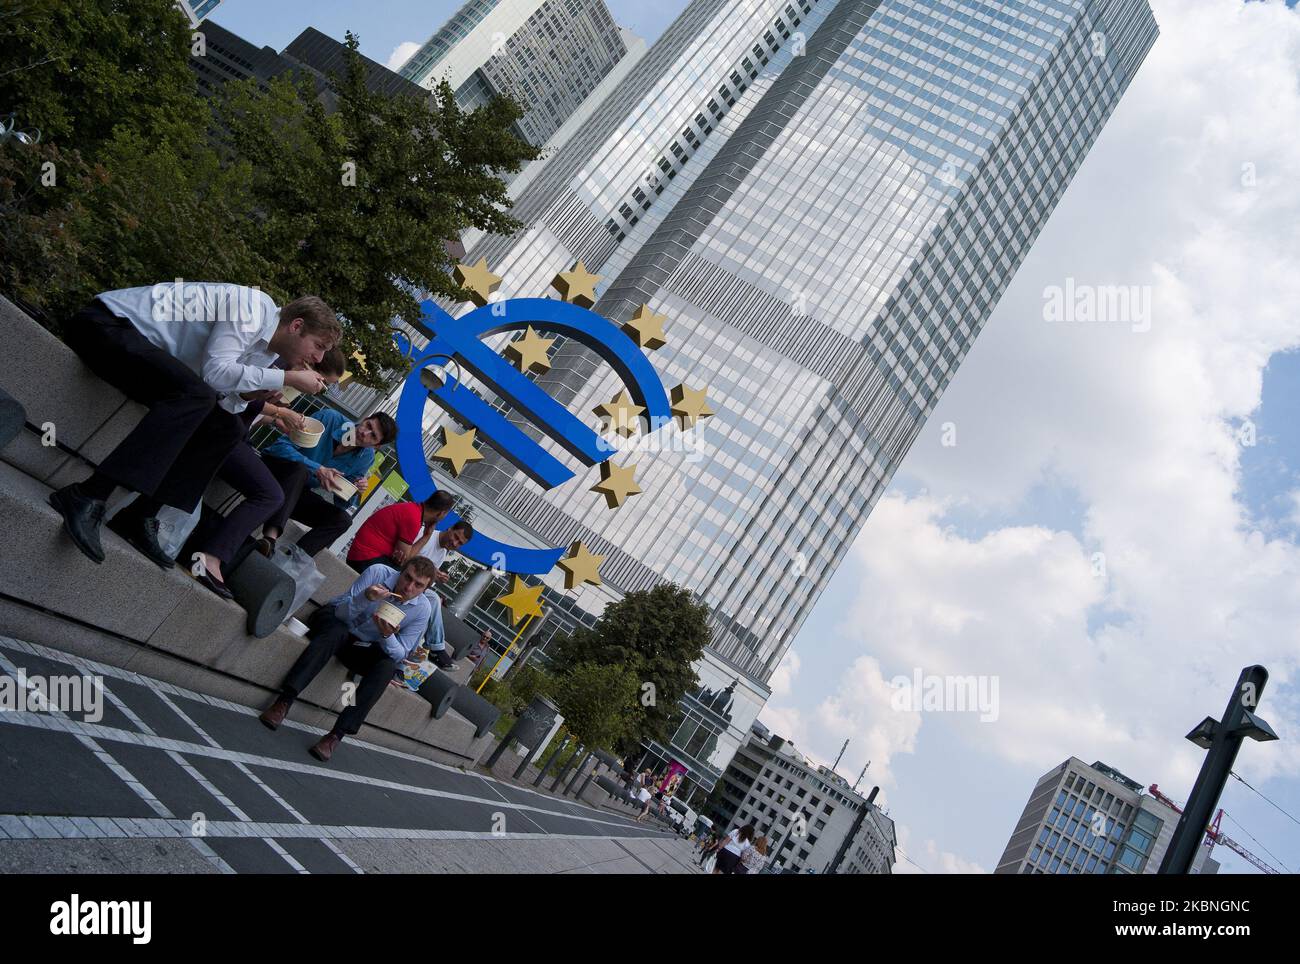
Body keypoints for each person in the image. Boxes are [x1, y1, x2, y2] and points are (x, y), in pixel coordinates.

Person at [49, 283, 338, 567]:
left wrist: (252, 393)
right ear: (296, 326)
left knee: (228, 428)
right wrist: (285, 379)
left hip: (142, 356)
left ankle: (140, 515)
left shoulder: (268, 353)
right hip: (106, 327)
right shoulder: (253, 307)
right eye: (319, 346)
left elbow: (227, 403)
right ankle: (88, 494)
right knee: (197, 397)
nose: (318, 358)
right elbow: (215, 374)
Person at [183, 353, 342, 597]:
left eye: (325, 386)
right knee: (271, 493)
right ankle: (210, 558)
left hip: (236, 436)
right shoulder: (278, 369)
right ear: (310, 366)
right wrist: (279, 414)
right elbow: (237, 397)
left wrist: (274, 418)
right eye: (322, 381)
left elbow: (252, 412)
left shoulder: (364, 459)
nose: (321, 388)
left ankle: (263, 542)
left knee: (282, 488)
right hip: (223, 432)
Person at [257, 556, 437, 762]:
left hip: (362, 647)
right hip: (334, 622)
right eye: (407, 578)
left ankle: (336, 734)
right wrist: (365, 598)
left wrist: (387, 635)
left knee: (386, 667)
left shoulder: (422, 609)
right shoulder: (379, 573)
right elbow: (340, 611)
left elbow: (401, 653)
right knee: (338, 632)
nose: (409, 587)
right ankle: (284, 701)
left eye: (418, 585)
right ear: (401, 571)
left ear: (425, 589)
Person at [257, 406, 397, 559]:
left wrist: (355, 490)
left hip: (297, 492)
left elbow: (341, 502)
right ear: (365, 419)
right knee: (300, 471)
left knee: (343, 520)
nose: (364, 433)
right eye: (368, 425)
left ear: (376, 445)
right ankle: (269, 539)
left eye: (373, 436)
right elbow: (279, 447)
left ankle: (292, 560)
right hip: (272, 471)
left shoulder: (366, 457)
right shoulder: (329, 418)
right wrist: (317, 469)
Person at [344, 492, 460, 573]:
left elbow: (401, 558)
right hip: (364, 558)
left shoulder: (413, 510)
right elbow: (405, 560)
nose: (455, 543)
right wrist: (426, 537)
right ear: (441, 513)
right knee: (406, 578)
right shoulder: (414, 519)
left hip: (365, 555)